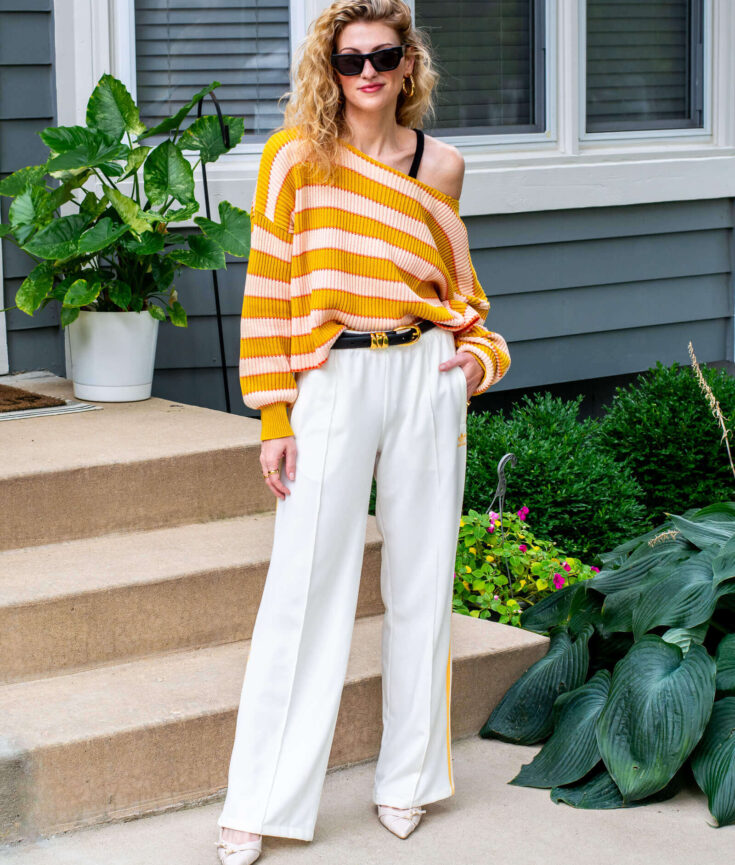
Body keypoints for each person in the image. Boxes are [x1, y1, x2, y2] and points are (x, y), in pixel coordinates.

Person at [215, 1, 511, 861]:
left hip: (423, 374)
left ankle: (408, 778)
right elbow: (268, 291)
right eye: (351, 60)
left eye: (385, 56)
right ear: (329, 69)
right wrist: (273, 413)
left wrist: (479, 361)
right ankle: (258, 798)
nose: (369, 73)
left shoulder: (443, 166)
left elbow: (466, 299)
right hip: (330, 379)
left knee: (422, 580)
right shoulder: (294, 161)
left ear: (409, 63)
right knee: (304, 588)